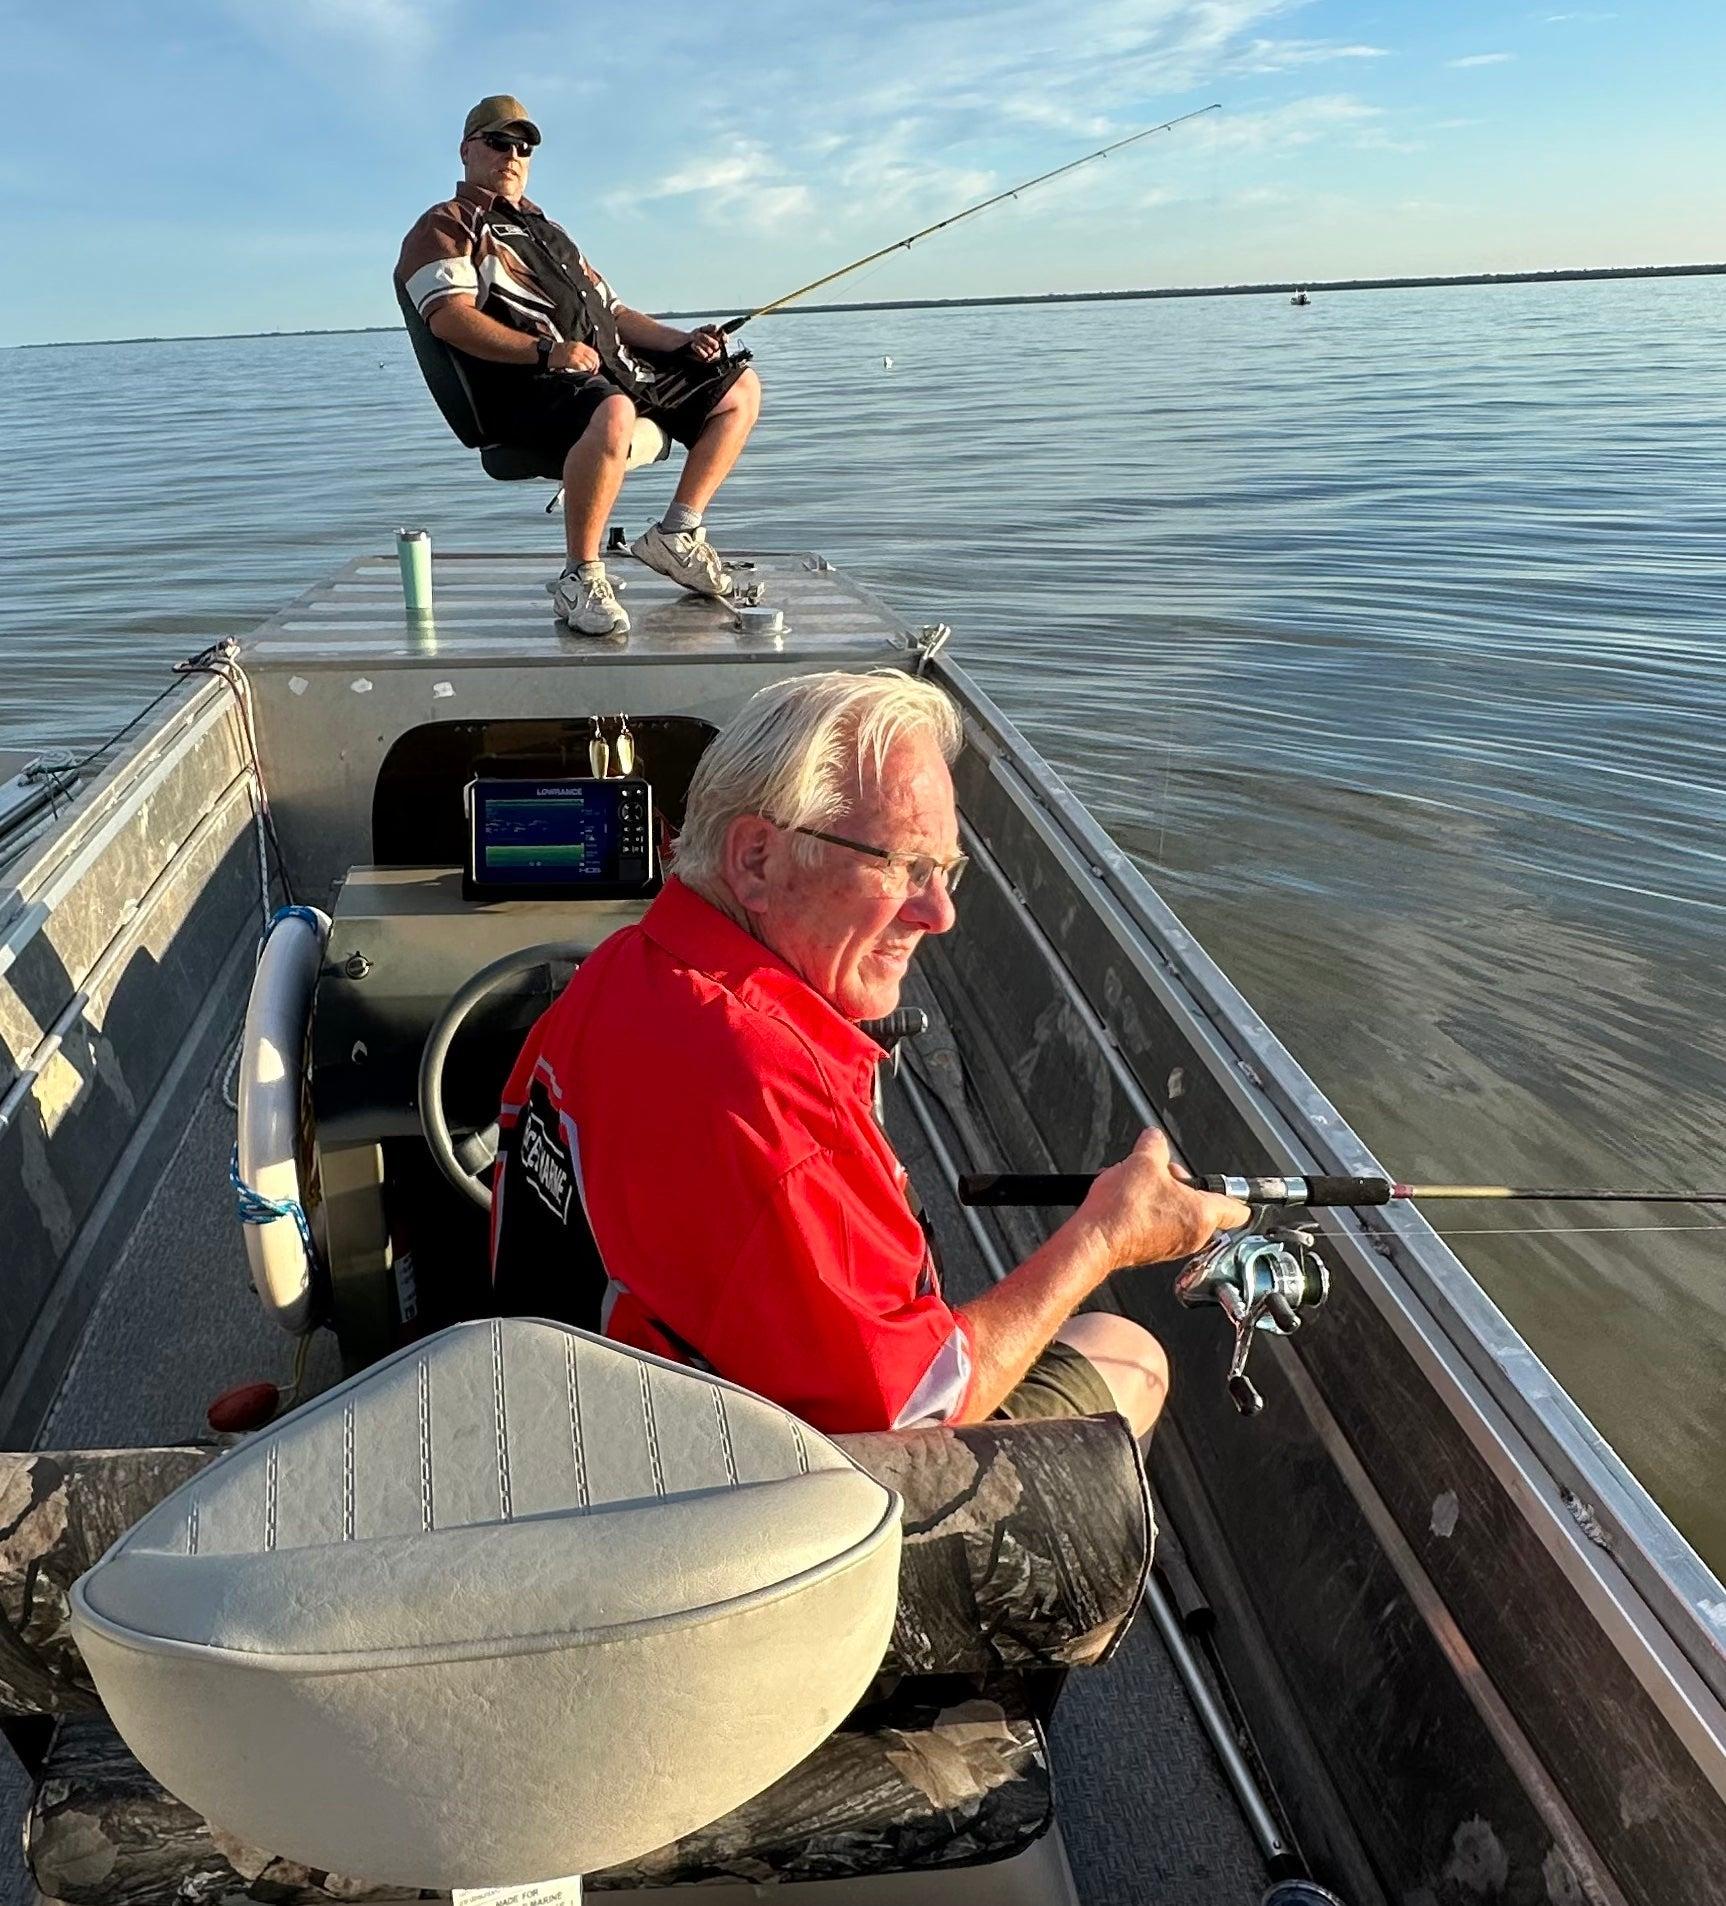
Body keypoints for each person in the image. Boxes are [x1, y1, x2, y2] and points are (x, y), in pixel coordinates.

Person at [489, 670, 1249, 1435]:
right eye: (904, 865)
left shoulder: (619, 971)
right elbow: (922, 1403)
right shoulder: (764, 1088)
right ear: (756, 860)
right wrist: (1104, 1235)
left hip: (581, 1430)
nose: (940, 912)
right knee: (1130, 1357)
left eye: (946, 871)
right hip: (727, 1516)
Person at [395, 96, 762, 637]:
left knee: (737, 389)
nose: (513, 155)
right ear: (467, 150)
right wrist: (545, 351)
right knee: (612, 411)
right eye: (500, 142)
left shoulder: (550, 231)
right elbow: (449, 319)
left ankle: (676, 534)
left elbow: (614, 311)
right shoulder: (446, 225)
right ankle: (581, 575)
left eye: (525, 146)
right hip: (526, 385)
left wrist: (683, 341)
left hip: (612, 373)